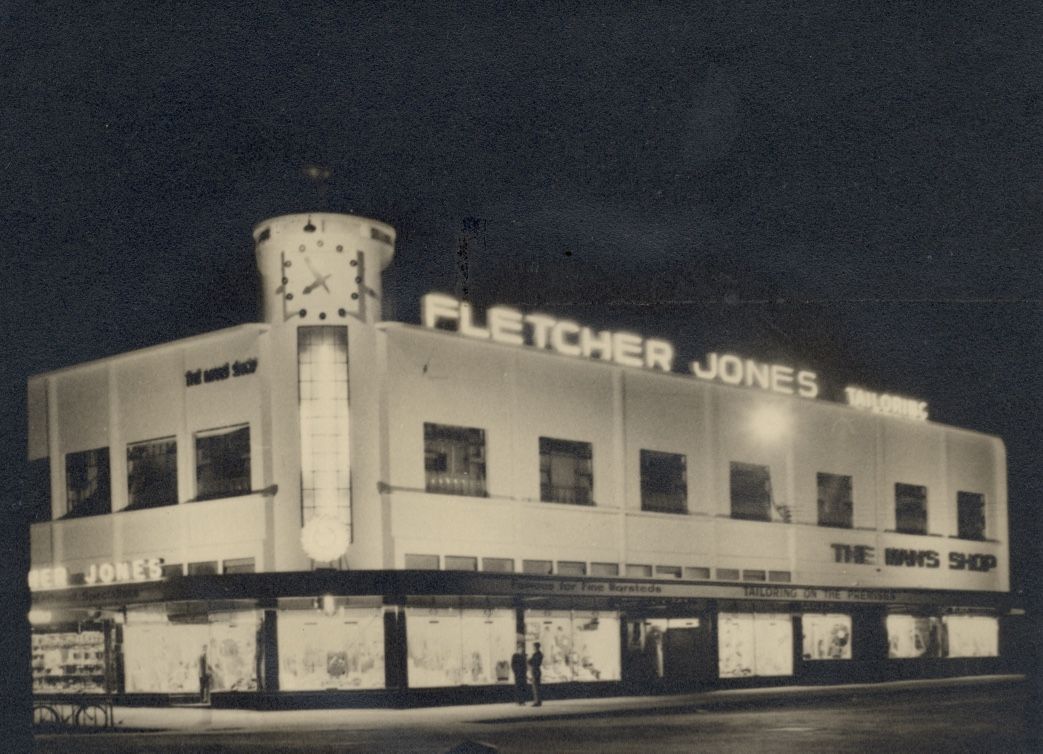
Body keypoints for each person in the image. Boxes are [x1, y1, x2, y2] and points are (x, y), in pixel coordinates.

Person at [528, 642, 543, 706]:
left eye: (534, 647)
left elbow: (531, 661)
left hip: (535, 670)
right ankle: (538, 701)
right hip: (537, 670)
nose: (533, 648)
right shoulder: (540, 654)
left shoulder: (536, 654)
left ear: (536, 647)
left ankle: (536, 701)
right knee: (537, 686)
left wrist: (529, 660)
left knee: (535, 687)